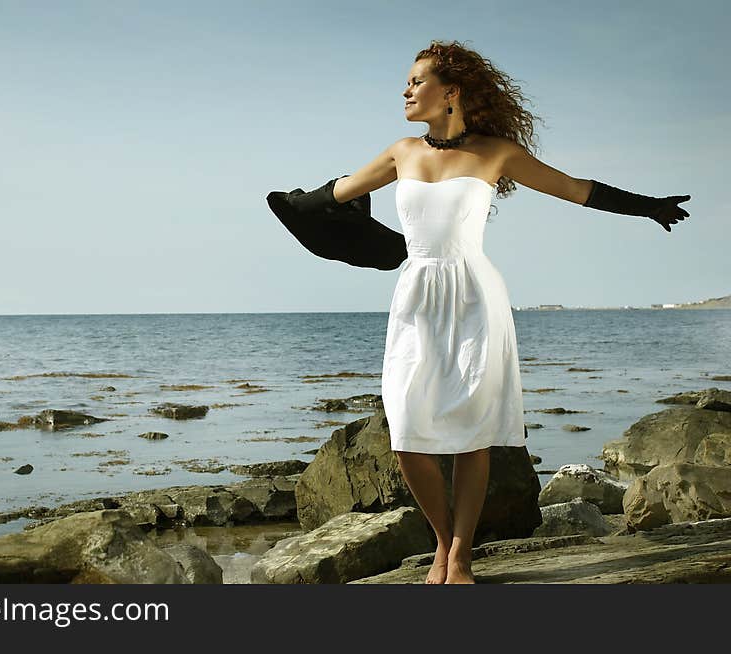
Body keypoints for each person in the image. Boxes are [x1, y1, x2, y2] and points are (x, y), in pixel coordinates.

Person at [268, 40, 690, 584]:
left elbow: (577, 189)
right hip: (416, 292)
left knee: (473, 430)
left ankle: (460, 554)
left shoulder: (497, 152)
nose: (406, 90)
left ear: (452, 92)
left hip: (474, 293)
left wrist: (648, 207)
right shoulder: (401, 152)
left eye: (417, 81)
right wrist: (292, 204)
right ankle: (442, 539)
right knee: (406, 429)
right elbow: (337, 195)